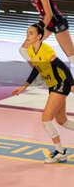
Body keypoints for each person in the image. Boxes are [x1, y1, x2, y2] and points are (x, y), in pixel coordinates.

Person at [12, 24, 74, 164]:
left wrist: (72, 84)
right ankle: (60, 152)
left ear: (39, 36)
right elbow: (36, 69)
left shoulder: (46, 50)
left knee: (46, 119)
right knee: (62, 120)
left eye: (31, 33)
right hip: (53, 86)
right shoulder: (31, 51)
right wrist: (24, 86)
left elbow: (64, 68)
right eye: (27, 32)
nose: (28, 35)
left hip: (61, 84)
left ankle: (59, 152)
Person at [19, 0, 74, 66]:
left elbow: (49, 14)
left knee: (72, 58)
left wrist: (39, 27)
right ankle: (39, 77)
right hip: (49, 24)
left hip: (58, 23)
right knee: (24, 49)